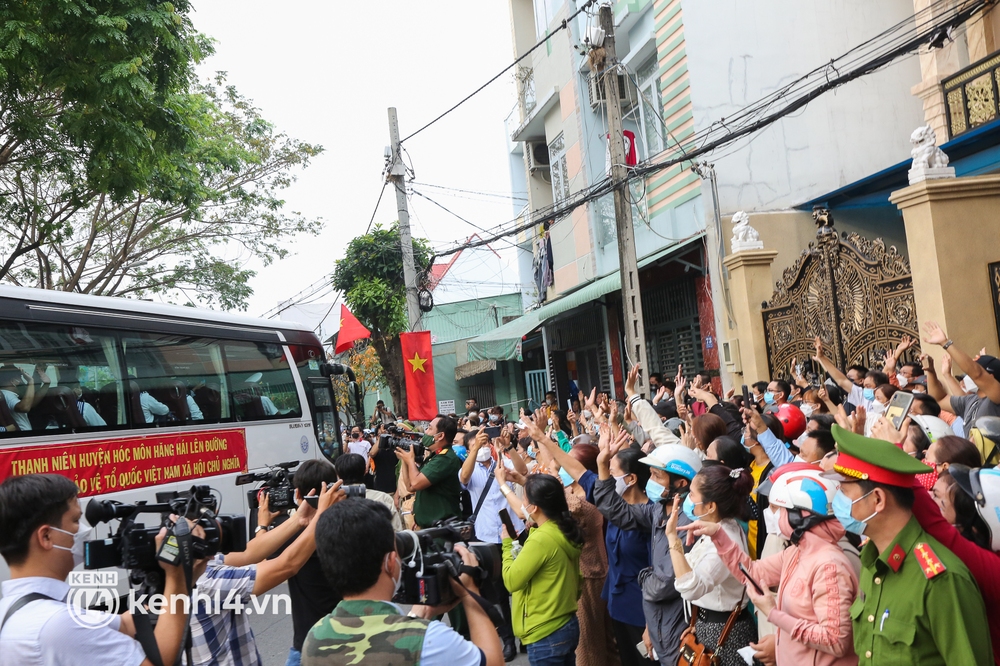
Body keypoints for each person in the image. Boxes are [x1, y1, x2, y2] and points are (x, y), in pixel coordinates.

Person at [824, 425, 992, 665]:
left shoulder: (941, 581)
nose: (837, 498)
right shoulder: (872, 561)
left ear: (878, 500)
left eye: (844, 489)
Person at [0, 474, 195, 666]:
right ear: (47, 537)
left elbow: (126, 624)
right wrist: (178, 578)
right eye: (76, 520)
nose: (83, 531)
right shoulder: (58, 626)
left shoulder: (12, 611)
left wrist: (169, 584)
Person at [682, 464, 858, 665]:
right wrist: (718, 534)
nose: (770, 514)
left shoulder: (829, 566)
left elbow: (834, 640)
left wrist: (774, 613)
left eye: (777, 509)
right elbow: (753, 573)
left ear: (799, 516)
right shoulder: (796, 552)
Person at [304, 499, 503, 666]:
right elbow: (492, 661)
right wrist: (469, 592)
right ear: (391, 563)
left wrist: (419, 614)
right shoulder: (428, 640)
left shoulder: (314, 639)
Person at [190, 479, 344, 665]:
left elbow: (249, 553)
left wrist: (298, 519)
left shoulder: (197, 569)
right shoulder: (209, 582)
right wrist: (321, 515)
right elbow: (287, 565)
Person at [664, 465, 758, 666]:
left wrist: (673, 539)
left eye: (692, 494)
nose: (688, 498)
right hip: (710, 625)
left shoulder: (724, 540)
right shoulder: (719, 528)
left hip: (725, 633)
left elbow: (690, 586)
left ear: (710, 506)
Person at [259, 459, 346, 666]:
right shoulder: (351, 526)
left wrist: (262, 525)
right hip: (352, 644)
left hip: (308, 646)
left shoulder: (293, 540)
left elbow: (259, 560)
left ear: (297, 494)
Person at [502, 474, 584, 666]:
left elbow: (512, 581)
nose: (523, 506)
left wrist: (507, 545)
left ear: (535, 507)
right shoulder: (562, 529)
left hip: (545, 630)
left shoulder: (541, 540)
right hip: (565, 621)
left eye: (524, 500)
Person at [921, 321, 1000, 438]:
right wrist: (931, 372)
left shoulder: (996, 398)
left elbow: (977, 374)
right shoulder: (970, 401)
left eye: (974, 368)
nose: (969, 375)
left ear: (990, 377)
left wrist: (945, 343)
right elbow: (939, 399)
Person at [397, 414, 463, 528]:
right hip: (429, 527)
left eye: (430, 428)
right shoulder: (434, 456)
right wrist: (405, 460)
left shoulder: (445, 458)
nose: (426, 432)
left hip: (441, 529)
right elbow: (410, 487)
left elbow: (416, 483)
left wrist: (411, 461)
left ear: (440, 436)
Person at [335, 453, 403, 530]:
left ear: (338, 475)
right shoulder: (384, 498)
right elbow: (397, 531)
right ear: (365, 470)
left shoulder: (333, 501)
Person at [0, 365, 50, 431]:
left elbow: (30, 403)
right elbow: (25, 407)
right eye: (20, 378)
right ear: (13, 381)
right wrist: (30, 382)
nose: (21, 380)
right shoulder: (7, 395)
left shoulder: (5, 394)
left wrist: (46, 384)